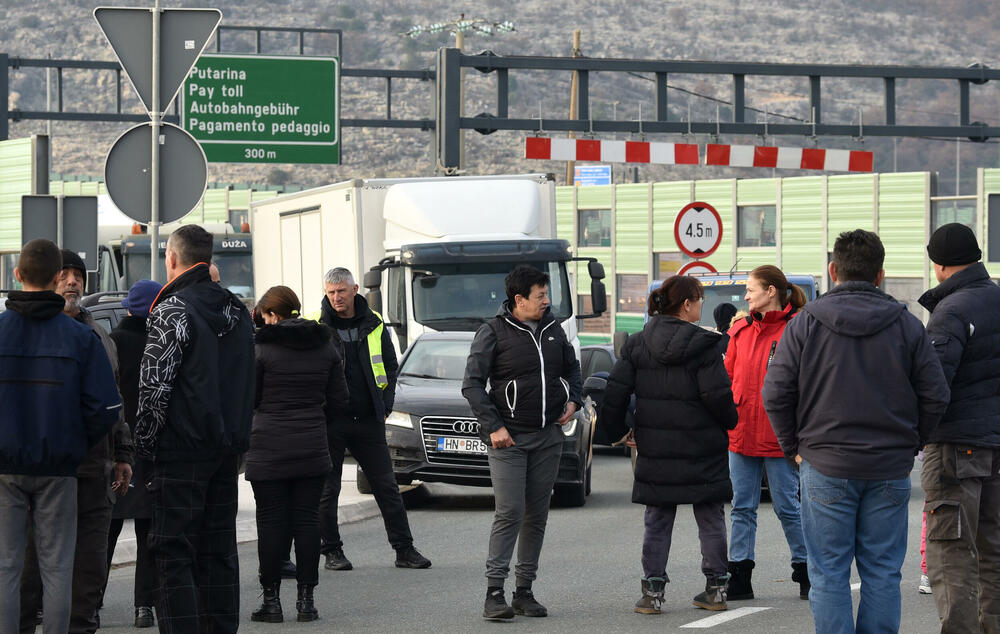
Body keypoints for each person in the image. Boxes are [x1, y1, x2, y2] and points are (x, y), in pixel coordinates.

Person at [762, 229, 949, 634]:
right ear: (880, 274)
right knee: (883, 572)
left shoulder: (805, 323)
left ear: (833, 271)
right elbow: (936, 394)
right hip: (888, 465)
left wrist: (793, 446)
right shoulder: (906, 324)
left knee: (828, 572)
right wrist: (912, 443)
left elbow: (775, 392)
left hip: (824, 461)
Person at [135, 224, 255, 633]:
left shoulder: (172, 310)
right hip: (226, 451)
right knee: (220, 551)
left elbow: (154, 388)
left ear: (172, 258)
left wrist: (145, 449)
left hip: (180, 452)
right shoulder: (238, 311)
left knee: (172, 554)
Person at [0, 239, 121, 634]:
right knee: (58, 567)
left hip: (6, 468)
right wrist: (73, 443)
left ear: (17, 275)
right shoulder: (80, 338)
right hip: (60, 468)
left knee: (7, 565)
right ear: (55, 278)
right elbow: (106, 408)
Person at [601, 275, 738, 616]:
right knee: (710, 517)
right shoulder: (705, 345)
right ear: (688, 304)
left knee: (658, 519)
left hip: (656, 447)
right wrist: (730, 421)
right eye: (700, 300)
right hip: (703, 445)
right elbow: (717, 395)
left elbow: (615, 393)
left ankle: (653, 593)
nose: (702, 305)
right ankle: (717, 588)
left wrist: (619, 430)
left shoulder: (637, 343)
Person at [463, 264, 584, 620]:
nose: (547, 301)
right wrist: (495, 427)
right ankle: (494, 593)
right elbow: (471, 384)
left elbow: (572, 369)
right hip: (508, 441)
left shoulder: (554, 329)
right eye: (541, 296)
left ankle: (524, 591)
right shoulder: (493, 332)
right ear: (519, 299)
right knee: (510, 512)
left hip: (548, 436)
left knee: (537, 514)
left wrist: (574, 401)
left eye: (547, 294)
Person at [315, 267, 431, 571]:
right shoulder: (316, 325)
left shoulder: (375, 322)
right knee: (329, 489)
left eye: (342, 291)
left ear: (355, 290)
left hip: (368, 419)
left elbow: (391, 368)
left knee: (386, 486)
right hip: (331, 421)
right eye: (331, 292)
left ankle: (404, 549)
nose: (336, 297)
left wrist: (386, 403)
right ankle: (332, 552)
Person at [247, 286, 349, 624]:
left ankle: (271, 601)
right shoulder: (325, 344)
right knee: (307, 521)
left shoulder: (261, 348)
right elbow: (339, 400)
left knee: (271, 522)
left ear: (273, 315)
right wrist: (316, 420)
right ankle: (307, 601)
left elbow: (250, 397)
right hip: (311, 444)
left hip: (269, 446)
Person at [918, 222, 1000, 632]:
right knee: (995, 553)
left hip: (956, 447)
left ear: (940, 264)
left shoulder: (951, 311)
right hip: (996, 445)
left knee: (952, 554)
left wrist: (915, 436)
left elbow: (934, 386)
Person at [723, 265, 809, 601]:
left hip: (779, 436)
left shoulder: (796, 330)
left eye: (750, 288)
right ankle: (740, 578)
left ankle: (805, 572)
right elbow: (727, 380)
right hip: (741, 433)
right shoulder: (740, 331)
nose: (745, 296)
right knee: (742, 507)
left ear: (770, 291)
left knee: (788, 506)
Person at [104, 279, 162, 629]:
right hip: (152, 447)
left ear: (128, 308)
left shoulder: (112, 342)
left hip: (115, 449)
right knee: (148, 533)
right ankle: (144, 607)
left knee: (105, 533)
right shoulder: (160, 343)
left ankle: (93, 602)